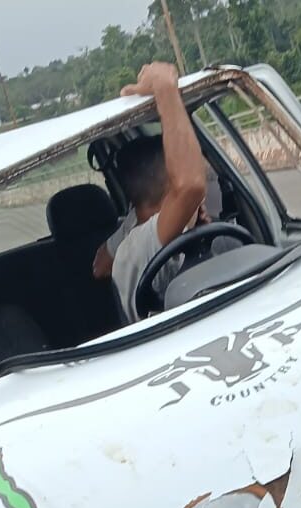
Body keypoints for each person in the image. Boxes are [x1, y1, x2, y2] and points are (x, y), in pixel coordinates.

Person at [90, 62, 207, 323]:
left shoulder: (135, 226)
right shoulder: (143, 243)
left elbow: (100, 266)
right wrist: (165, 88)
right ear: (171, 189)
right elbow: (190, 185)